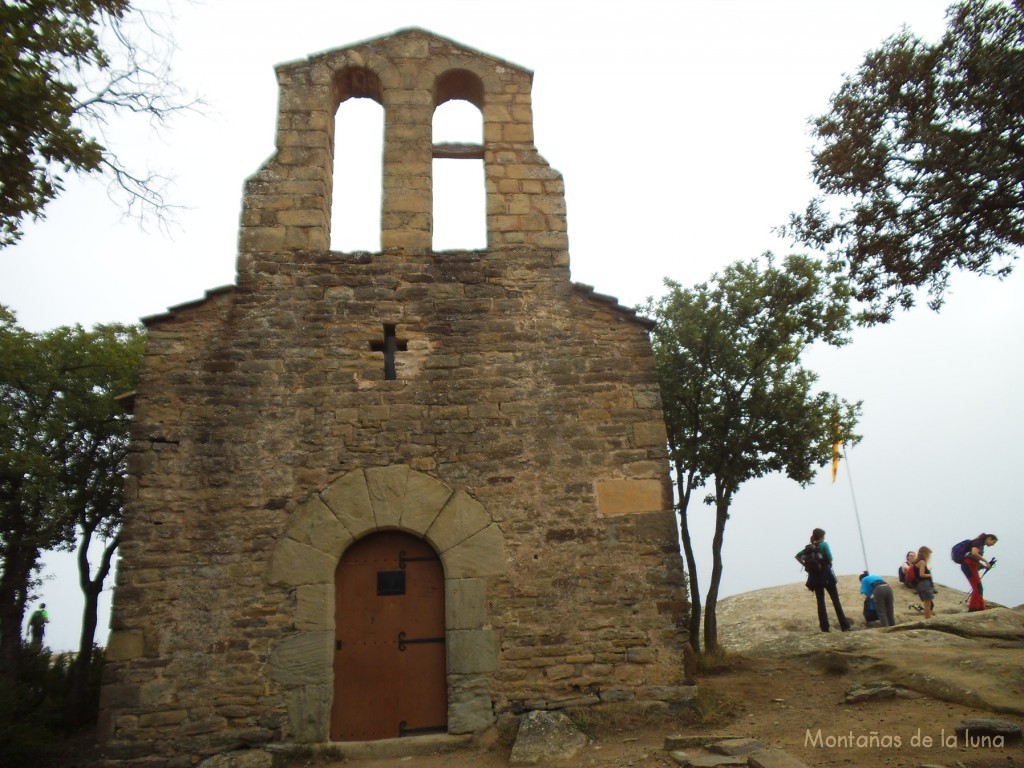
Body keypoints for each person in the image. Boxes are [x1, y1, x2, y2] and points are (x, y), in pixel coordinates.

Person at [796, 528, 851, 633]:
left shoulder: (809, 548)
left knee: (820, 602)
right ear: (821, 536)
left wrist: (805, 564)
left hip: (815, 578)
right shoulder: (824, 545)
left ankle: (825, 628)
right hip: (827, 576)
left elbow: (797, 556)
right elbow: (830, 558)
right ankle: (845, 626)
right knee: (835, 601)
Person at [959, 533, 998, 612]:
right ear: (989, 538)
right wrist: (986, 562)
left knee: (978, 588)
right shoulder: (978, 542)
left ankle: (981, 608)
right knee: (978, 588)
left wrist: (984, 566)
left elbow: (973, 558)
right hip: (969, 565)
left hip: (969, 565)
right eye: (993, 542)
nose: (993, 545)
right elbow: (974, 553)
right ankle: (974, 608)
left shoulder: (980, 543)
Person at [914, 547, 935, 619]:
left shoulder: (916, 562)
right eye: (929, 554)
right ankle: (928, 620)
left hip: (920, 585)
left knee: (928, 605)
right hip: (924, 584)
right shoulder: (922, 562)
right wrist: (929, 574)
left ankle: (928, 618)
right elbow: (921, 574)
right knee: (928, 605)